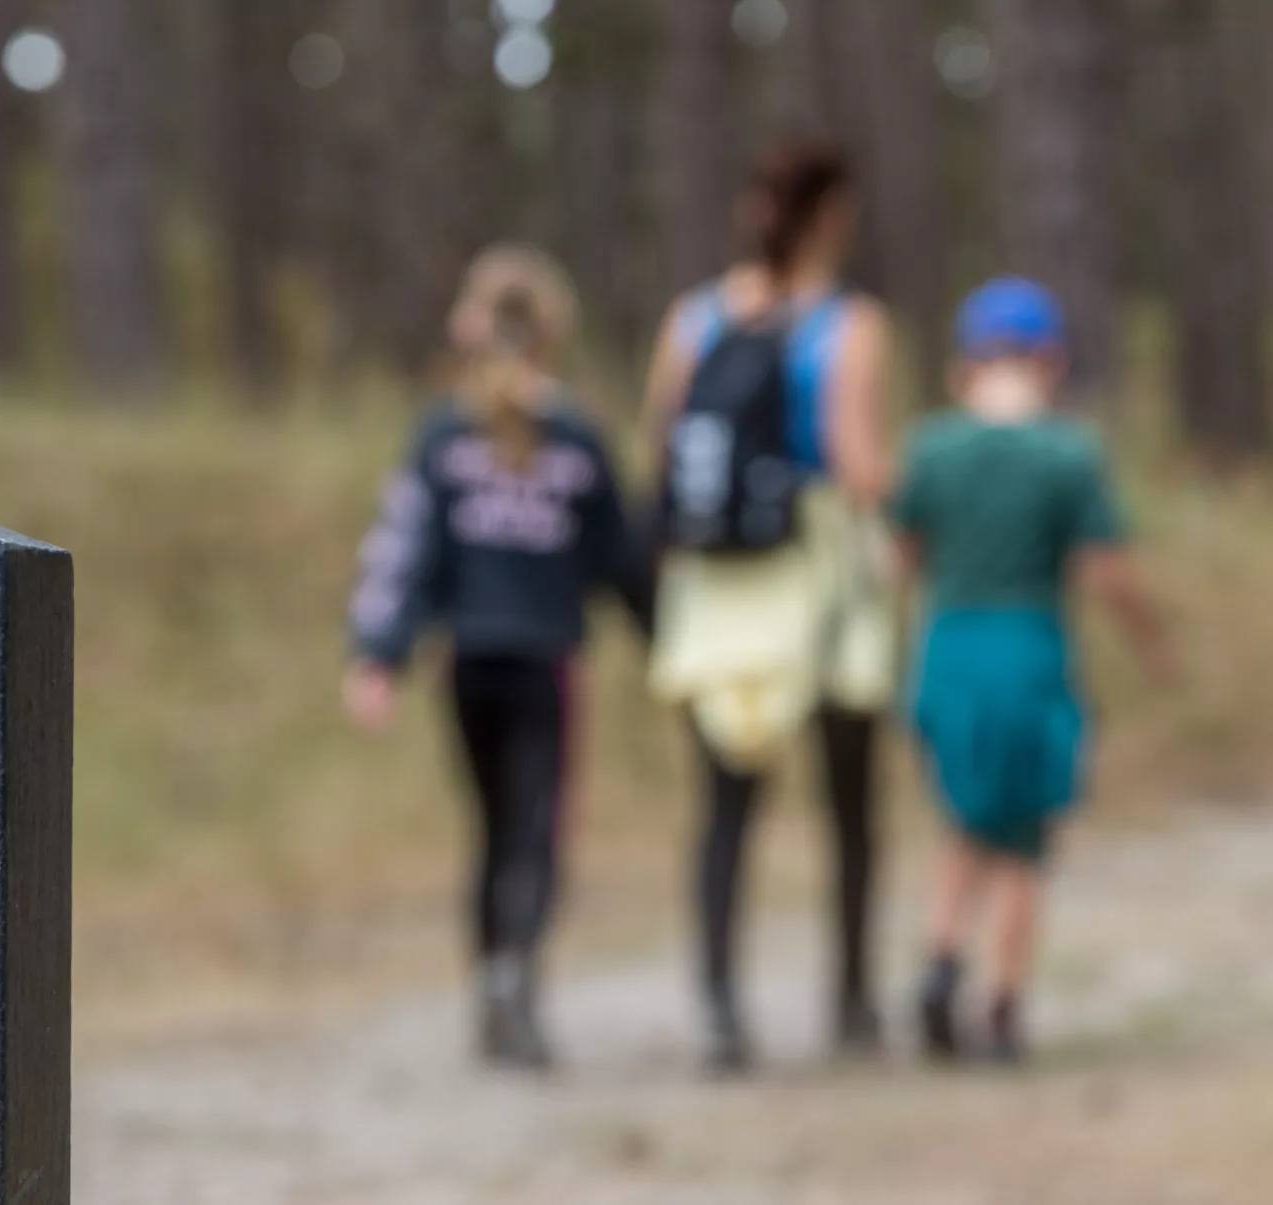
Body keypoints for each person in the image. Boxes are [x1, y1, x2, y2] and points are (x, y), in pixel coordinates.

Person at [343, 249, 648, 1071]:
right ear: (555, 332)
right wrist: (673, 645)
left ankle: (489, 985)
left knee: (490, 831)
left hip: (468, 662)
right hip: (546, 663)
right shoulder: (578, 433)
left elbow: (405, 550)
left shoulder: (443, 431)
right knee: (538, 828)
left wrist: (379, 655)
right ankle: (515, 971)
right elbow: (622, 557)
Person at [641, 136, 899, 1072]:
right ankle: (854, 999)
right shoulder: (848, 325)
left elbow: (662, 451)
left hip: (719, 585)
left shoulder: (695, 318)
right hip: (819, 567)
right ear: (834, 212)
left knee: (725, 807)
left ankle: (719, 1002)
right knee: (851, 801)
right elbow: (859, 463)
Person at [891, 278, 1172, 1064]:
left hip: (948, 645)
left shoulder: (931, 446)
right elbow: (1104, 573)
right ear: (1049, 359)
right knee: (1023, 839)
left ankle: (943, 959)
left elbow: (899, 557)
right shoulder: (1066, 452)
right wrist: (1153, 640)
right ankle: (1003, 1008)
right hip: (1029, 646)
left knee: (962, 817)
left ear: (965, 363)